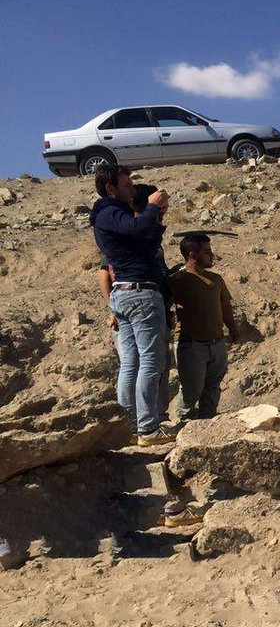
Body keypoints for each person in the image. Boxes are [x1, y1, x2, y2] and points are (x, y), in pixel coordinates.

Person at [89, 164, 175, 447]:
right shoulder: (110, 212)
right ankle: (148, 429)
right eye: (127, 186)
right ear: (110, 188)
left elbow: (144, 241)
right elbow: (137, 227)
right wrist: (150, 207)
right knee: (150, 362)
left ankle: (131, 428)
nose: (132, 191)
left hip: (126, 295)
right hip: (140, 294)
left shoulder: (111, 215)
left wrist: (157, 217)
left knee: (132, 364)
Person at [171, 233, 238, 425]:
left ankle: (207, 425)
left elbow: (225, 307)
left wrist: (233, 330)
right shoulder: (178, 278)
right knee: (192, 388)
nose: (212, 255)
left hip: (216, 343)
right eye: (207, 251)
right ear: (193, 254)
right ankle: (184, 424)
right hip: (191, 344)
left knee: (212, 387)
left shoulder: (216, 279)